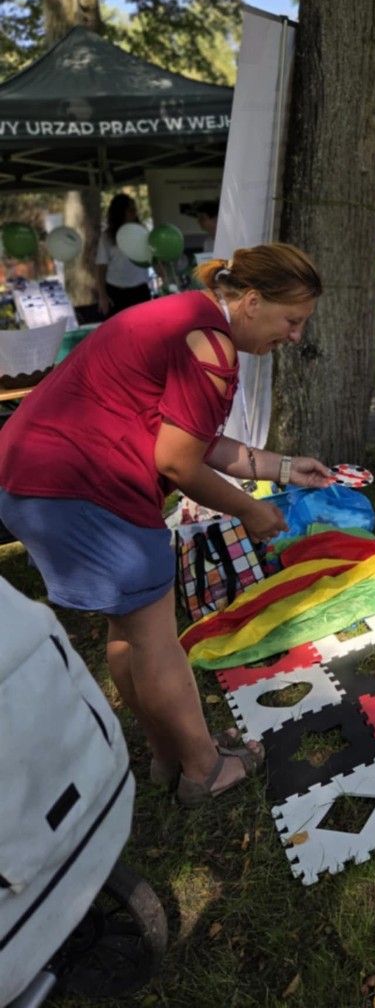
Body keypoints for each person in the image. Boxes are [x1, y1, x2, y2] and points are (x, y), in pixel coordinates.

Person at [0, 243, 333, 805]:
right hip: (80, 487)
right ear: (252, 302)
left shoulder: (190, 317)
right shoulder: (211, 346)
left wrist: (281, 467)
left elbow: (194, 439)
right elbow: (179, 462)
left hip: (30, 475)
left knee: (129, 630)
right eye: (292, 320)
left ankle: (167, 755)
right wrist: (252, 511)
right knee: (156, 638)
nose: (295, 336)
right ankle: (204, 770)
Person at [95, 192, 153, 316]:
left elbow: (153, 258)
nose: (134, 213)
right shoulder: (107, 236)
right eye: (130, 210)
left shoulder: (142, 231)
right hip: (116, 292)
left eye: (135, 210)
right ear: (119, 212)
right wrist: (102, 295)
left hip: (140, 290)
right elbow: (101, 268)